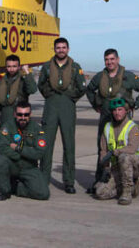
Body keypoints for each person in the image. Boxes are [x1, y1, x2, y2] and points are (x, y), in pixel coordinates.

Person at [85, 48, 139, 193]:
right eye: (107, 60)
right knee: (102, 148)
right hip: (106, 117)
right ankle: (101, 178)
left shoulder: (128, 76)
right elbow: (89, 90)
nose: (109, 62)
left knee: (125, 149)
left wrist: (136, 104)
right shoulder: (99, 77)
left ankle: (131, 180)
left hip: (122, 119)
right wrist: (96, 105)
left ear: (118, 59)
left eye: (112, 59)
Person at [37, 36, 86, 194]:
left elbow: (81, 87)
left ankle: (69, 181)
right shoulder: (46, 67)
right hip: (51, 107)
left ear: (68, 49)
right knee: (46, 144)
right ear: (54, 49)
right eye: (58, 48)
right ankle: (44, 179)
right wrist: (51, 95)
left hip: (67, 107)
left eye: (63, 47)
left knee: (69, 145)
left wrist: (70, 97)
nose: (61, 50)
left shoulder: (75, 67)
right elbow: (41, 84)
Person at [92, 97, 139, 205]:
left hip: (135, 165)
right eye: (115, 110)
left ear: (126, 111)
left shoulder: (133, 127)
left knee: (124, 157)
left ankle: (127, 193)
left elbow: (132, 148)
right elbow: (103, 150)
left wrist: (116, 151)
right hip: (117, 167)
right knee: (100, 192)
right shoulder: (107, 127)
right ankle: (131, 186)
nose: (117, 113)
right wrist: (106, 167)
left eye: (120, 109)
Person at [0, 101, 49, 201]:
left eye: (26, 115)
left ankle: (15, 187)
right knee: (0, 160)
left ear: (30, 114)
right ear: (15, 114)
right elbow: (2, 147)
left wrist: (19, 149)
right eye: (20, 114)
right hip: (13, 164)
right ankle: (5, 191)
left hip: (29, 166)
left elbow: (39, 153)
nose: (23, 117)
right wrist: (20, 156)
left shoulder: (37, 129)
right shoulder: (8, 126)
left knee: (43, 194)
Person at [0, 54, 37, 128]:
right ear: (6, 67)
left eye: (14, 66)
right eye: (9, 66)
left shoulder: (23, 80)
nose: (11, 69)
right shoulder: (0, 81)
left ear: (18, 67)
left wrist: (27, 73)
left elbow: (32, 89)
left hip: (20, 118)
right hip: (5, 118)